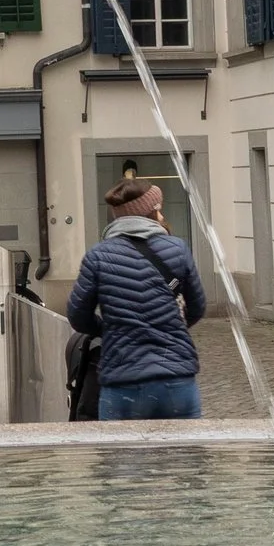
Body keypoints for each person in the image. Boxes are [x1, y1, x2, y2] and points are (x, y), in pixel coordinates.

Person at [66, 179, 207, 419]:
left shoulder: (98, 257)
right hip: (175, 379)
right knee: (187, 455)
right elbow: (197, 306)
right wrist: (170, 328)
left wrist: (108, 328)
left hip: (123, 381)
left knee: (120, 455)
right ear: (151, 211)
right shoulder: (177, 249)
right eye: (159, 208)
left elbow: (78, 316)